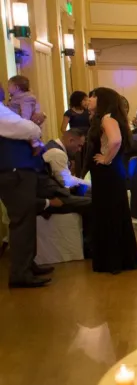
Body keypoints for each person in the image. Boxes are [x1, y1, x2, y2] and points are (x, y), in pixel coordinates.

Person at [0, 91, 59, 288]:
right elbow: (29, 129)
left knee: (25, 219)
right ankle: (21, 272)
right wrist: (37, 122)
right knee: (22, 222)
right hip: (15, 171)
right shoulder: (2, 113)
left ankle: (27, 265)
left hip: (17, 170)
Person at [85, 87, 137, 274]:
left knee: (108, 212)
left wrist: (106, 158)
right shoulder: (107, 117)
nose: (89, 99)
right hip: (110, 172)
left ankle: (111, 260)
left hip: (107, 172)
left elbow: (115, 141)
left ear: (102, 99)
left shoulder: (107, 118)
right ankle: (119, 258)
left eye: (93, 96)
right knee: (113, 212)